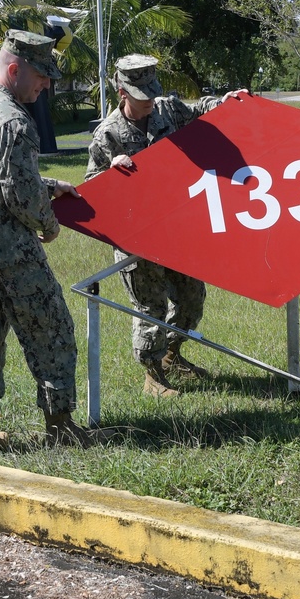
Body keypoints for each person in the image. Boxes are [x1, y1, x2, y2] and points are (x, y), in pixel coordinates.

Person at [0, 29, 103, 459]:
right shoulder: (14, 119)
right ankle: (60, 428)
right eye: (41, 75)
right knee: (52, 331)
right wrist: (48, 221)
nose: (47, 84)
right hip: (10, 250)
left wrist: (50, 185)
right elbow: (19, 195)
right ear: (14, 69)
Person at [86, 55, 248, 398]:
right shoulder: (108, 135)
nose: (148, 102)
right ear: (121, 92)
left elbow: (200, 110)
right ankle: (153, 375)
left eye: (151, 92)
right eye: (140, 96)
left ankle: (172, 354)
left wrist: (226, 101)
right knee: (150, 307)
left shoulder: (167, 110)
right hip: (136, 237)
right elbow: (91, 189)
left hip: (177, 230)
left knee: (192, 299)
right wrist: (110, 172)